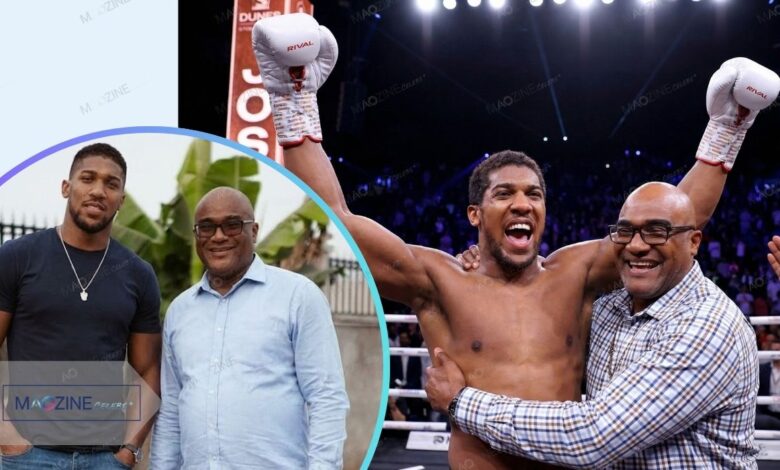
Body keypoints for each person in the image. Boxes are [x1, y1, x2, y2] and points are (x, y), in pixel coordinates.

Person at [251, 13, 778, 469]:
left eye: (535, 194)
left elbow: (671, 223)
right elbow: (337, 221)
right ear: (475, 213)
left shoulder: (577, 275)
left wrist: (727, 129)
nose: (523, 204)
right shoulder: (439, 280)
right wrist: (292, 100)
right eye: (505, 194)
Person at [425, 183, 758, 468]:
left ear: (694, 242)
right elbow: (538, 314)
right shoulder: (610, 310)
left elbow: (595, 437)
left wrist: (461, 402)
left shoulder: (708, 326)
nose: (637, 245)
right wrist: (503, 266)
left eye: (658, 231)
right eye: (625, 231)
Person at [151, 187, 349, 469]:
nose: (218, 236)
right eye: (206, 227)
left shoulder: (297, 296)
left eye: (232, 225)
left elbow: (326, 397)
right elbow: (171, 410)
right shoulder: (180, 311)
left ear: (253, 231)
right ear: (196, 236)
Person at [0, 143, 162, 468]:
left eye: (111, 184)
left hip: (104, 458)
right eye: (88, 178)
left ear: (121, 201)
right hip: (28, 456)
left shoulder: (137, 275)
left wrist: (129, 451)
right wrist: (6, 433)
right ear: (66, 187)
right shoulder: (18, 257)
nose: (98, 191)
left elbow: (147, 370)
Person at [756, 339, 780, 431]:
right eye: (775, 351)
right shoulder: (762, 369)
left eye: (779, 350)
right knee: (766, 421)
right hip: (766, 412)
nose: (777, 353)